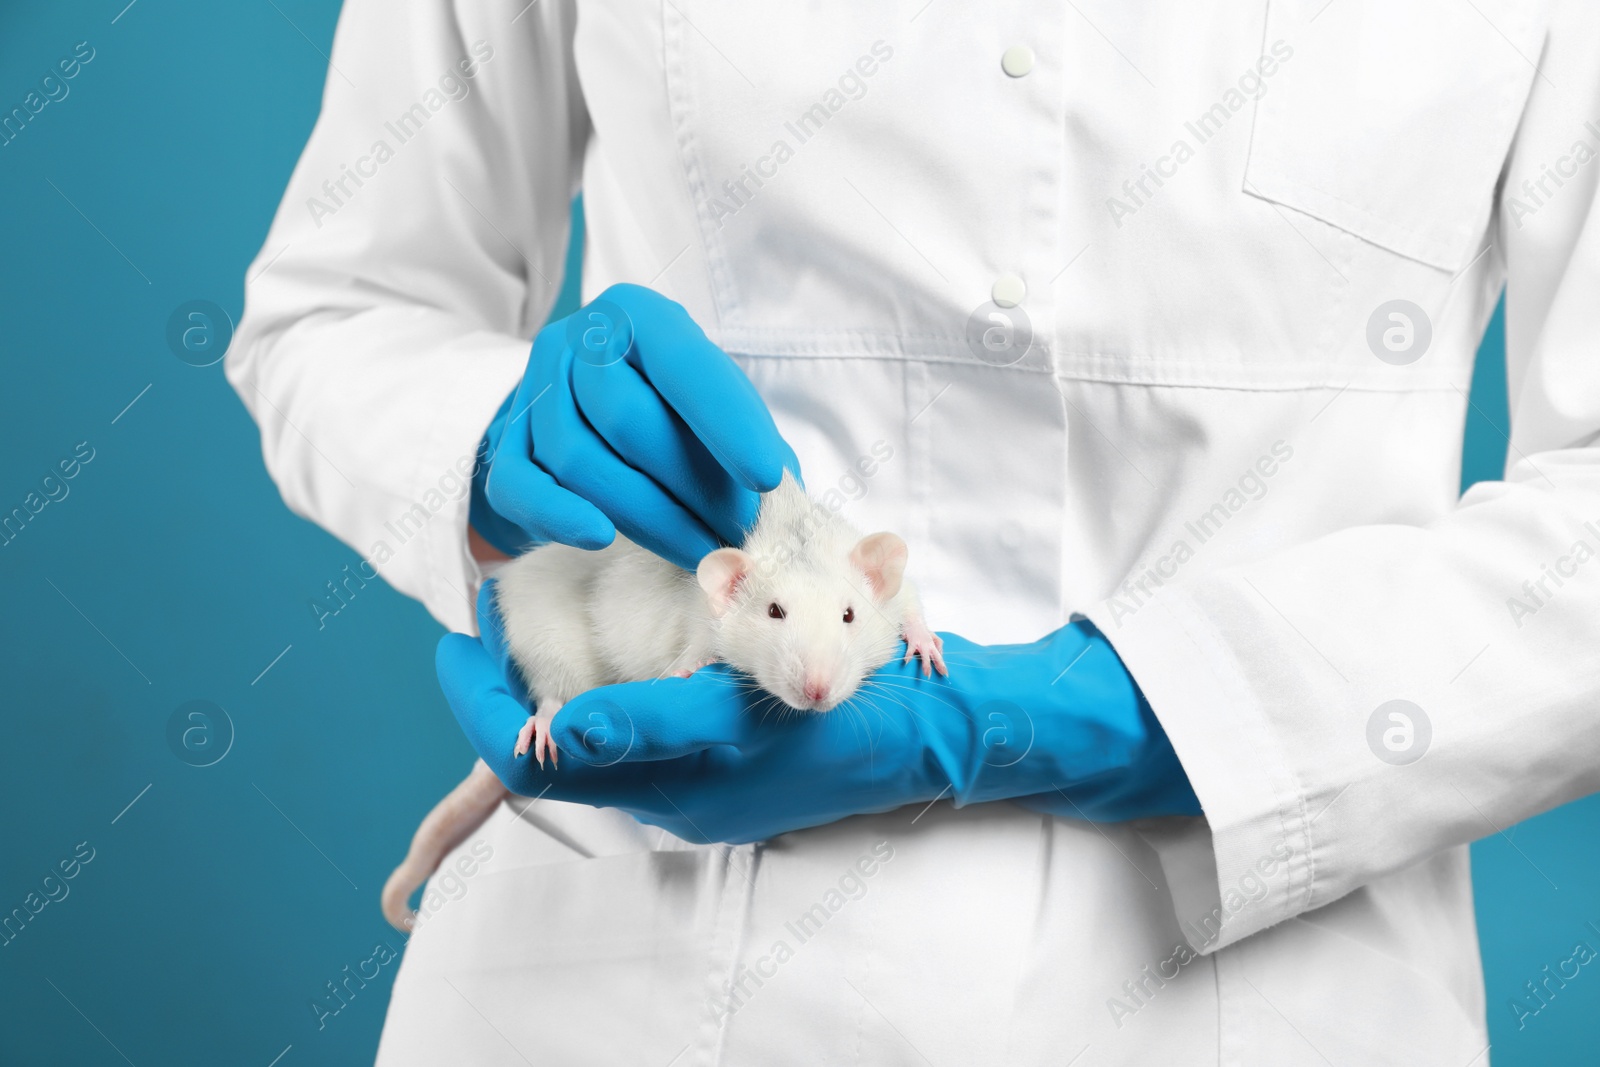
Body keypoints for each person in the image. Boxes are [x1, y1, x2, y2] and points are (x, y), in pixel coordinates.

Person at [229, 1, 1600, 1062]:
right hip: (614, 973)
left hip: (1263, 987)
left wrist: (1113, 712)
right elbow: (341, 308)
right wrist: (493, 458)